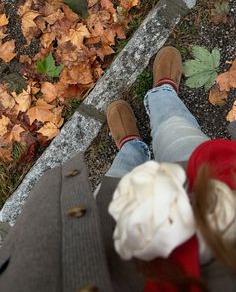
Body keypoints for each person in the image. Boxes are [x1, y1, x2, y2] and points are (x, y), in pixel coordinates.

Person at [0, 47, 236, 292]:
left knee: (114, 192)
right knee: (179, 137)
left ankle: (131, 148)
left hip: (100, 269)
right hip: (219, 196)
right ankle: (162, 97)